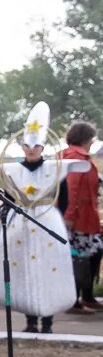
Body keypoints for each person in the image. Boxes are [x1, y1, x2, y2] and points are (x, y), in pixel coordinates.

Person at [0, 102, 85, 333]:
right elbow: (7, 196)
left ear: (42, 146)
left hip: (47, 221)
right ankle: (29, 320)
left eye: (35, 145)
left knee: (48, 269)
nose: (31, 149)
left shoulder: (55, 169)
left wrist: (63, 220)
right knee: (24, 269)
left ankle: (47, 321)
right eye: (27, 145)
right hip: (21, 223)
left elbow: (64, 197)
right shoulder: (13, 170)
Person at [61, 121, 103, 314]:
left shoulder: (76, 156)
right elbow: (72, 189)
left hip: (85, 216)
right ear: (86, 138)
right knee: (80, 257)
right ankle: (76, 299)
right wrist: (69, 215)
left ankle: (85, 296)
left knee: (87, 254)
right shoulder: (76, 158)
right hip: (79, 218)